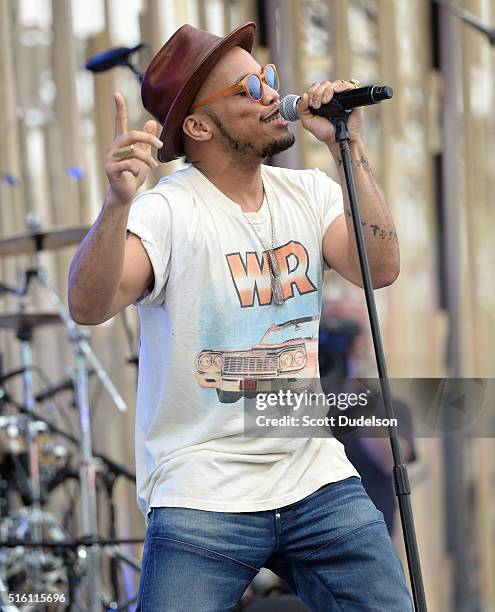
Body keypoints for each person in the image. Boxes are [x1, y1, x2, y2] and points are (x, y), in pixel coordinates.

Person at [68, 22, 412, 612]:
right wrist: (117, 203)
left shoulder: (310, 192)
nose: (270, 93)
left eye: (268, 79)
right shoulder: (168, 210)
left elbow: (378, 268)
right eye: (248, 88)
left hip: (311, 473)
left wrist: (347, 146)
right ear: (198, 126)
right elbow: (88, 305)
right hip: (203, 482)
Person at [319, 298, 417, 535]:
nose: (345, 344)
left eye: (352, 331)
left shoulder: (388, 404)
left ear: (366, 340)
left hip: (367, 538)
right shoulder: (299, 401)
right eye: (334, 331)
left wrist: (353, 397)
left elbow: (391, 460)